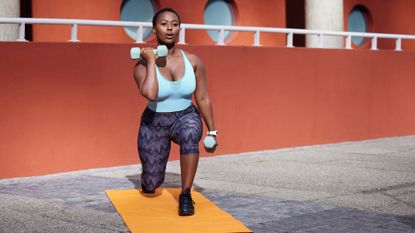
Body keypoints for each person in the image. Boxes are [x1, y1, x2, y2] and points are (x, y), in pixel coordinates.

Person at [133, 8, 217, 216]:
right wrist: (152, 61)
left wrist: (212, 131)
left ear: (179, 28)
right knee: (151, 184)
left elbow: (203, 97)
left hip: (185, 115)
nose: (170, 28)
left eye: (175, 24)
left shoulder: (194, 61)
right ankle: (150, 176)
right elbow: (150, 94)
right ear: (154, 29)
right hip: (154, 122)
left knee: (190, 134)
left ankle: (186, 194)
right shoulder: (141, 65)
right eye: (163, 24)